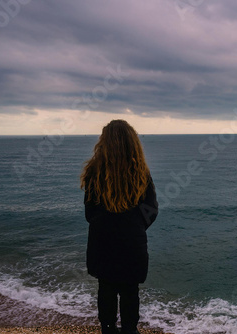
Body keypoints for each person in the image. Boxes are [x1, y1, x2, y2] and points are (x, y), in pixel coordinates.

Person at [81, 120, 158, 334]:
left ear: (104, 142)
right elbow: (151, 209)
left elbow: (89, 211)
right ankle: (130, 330)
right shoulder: (141, 171)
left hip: (102, 242)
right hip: (132, 242)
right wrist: (134, 226)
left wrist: (104, 225)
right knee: (130, 290)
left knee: (105, 288)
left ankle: (107, 329)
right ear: (132, 142)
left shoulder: (94, 172)